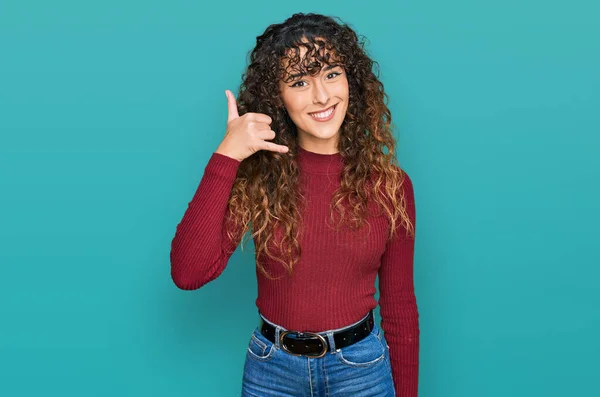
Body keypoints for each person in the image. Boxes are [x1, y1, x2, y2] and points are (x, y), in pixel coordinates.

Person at [170, 12, 419, 397]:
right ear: (277, 97)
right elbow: (188, 272)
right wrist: (228, 155)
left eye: (331, 73)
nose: (321, 96)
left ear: (351, 80)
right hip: (272, 373)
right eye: (299, 81)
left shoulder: (391, 186)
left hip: (362, 372)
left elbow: (400, 306)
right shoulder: (258, 179)